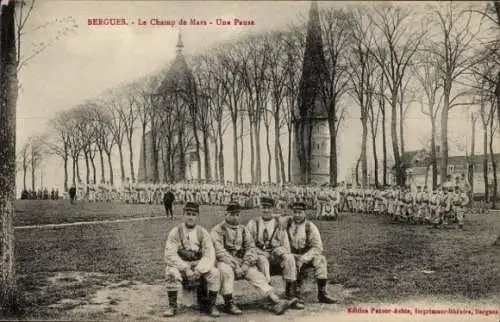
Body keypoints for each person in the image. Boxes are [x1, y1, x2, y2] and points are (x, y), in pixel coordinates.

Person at [211, 203, 297, 316]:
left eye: (237, 214)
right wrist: (236, 266)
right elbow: (219, 252)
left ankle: (275, 300)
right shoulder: (217, 230)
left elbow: (251, 248)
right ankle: (229, 303)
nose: (235, 217)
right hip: (225, 262)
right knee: (226, 272)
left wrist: (246, 263)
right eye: (232, 214)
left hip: (242, 262)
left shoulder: (242, 229)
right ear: (225, 214)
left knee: (255, 274)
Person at [163, 202, 221, 318]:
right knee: (170, 272)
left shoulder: (203, 232)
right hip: (181, 266)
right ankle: (172, 306)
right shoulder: (175, 231)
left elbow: (209, 254)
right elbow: (170, 254)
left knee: (215, 273)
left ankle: (211, 305)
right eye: (188, 214)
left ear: (197, 216)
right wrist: (185, 268)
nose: (190, 217)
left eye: (194, 214)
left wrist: (199, 270)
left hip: (198, 266)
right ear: (183, 215)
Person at [246, 197, 304, 310]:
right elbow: (248, 245)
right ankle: (270, 299)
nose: (266, 210)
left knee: (289, 258)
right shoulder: (253, 223)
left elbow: (286, 247)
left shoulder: (279, 224)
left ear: (273, 208)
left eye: (268, 207)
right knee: (263, 261)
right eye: (263, 207)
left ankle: (290, 296)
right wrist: (261, 252)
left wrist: (277, 251)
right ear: (259, 208)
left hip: (275, 257)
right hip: (259, 257)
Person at [285, 202, 337, 305]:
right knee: (289, 260)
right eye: (295, 212)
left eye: (300, 212)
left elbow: (318, 247)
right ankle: (291, 292)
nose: (297, 215)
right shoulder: (288, 224)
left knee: (321, 260)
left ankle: (322, 294)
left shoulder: (310, 226)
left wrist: (304, 258)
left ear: (305, 213)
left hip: (306, 256)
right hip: (292, 256)